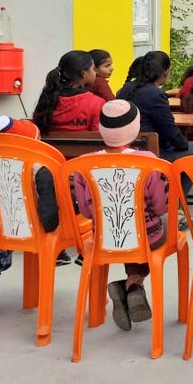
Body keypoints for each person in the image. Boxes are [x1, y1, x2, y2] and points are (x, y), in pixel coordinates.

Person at [74, 100, 170, 331]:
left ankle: (129, 284)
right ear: (135, 128)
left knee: (127, 229)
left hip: (104, 238)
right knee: (156, 226)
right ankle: (133, 283)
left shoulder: (84, 164)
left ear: (101, 128)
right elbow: (160, 207)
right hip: (145, 236)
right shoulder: (149, 161)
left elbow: (86, 211)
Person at [117, 51, 193, 163]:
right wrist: (184, 145)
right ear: (166, 72)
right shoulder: (156, 94)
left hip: (126, 148)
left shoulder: (126, 89)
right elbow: (170, 131)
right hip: (153, 152)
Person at [33, 50, 105, 134]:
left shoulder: (48, 97)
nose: (95, 73)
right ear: (84, 74)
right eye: (93, 69)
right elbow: (97, 137)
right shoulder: (96, 103)